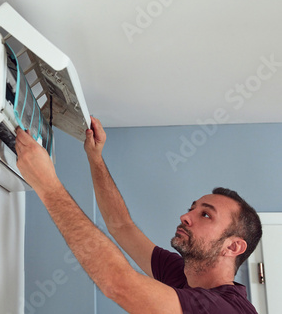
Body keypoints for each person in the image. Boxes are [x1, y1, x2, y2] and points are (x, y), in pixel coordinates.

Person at [14, 116, 262, 314]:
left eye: (206, 215)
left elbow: (119, 285)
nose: (185, 217)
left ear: (233, 247)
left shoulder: (228, 309)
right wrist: (95, 157)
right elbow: (121, 225)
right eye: (192, 208)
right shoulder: (182, 274)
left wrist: (47, 186)